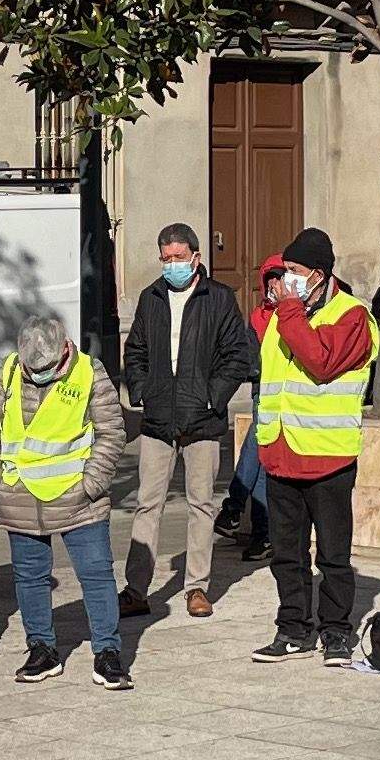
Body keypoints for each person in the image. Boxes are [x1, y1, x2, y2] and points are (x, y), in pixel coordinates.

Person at [0, 309, 135, 692]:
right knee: (30, 578)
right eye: (34, 368)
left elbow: (112, 432)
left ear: (65, 349)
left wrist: (91, 484)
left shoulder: (89, 372)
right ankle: (41, 649)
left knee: (96, 577)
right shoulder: (10, 371)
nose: (39, 373)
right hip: (19, 497)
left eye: (47, 367)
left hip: (80, 500)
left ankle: (108, 653)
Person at [250, 229, 378, 664]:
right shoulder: (283, 313)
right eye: (285, 271)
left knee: (333, 555)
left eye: (296, 272)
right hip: (281, 452)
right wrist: (283, 306)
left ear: (320, 276)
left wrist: (288, 310)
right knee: (287, 555)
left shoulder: (352, 315)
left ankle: (336, 632)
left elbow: (321, 363)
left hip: (328, 456)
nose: (288, 280)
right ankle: (293, 629)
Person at [116, 223, 254, 617]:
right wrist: (141, 390)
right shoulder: (150, 298)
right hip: (158, 420)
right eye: (166, 259)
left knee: (201, 506)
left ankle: (196, 587)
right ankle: (136, 589)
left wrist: (213, 397)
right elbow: (136, 349)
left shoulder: (220, 299)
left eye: (179, 257)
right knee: (147, 505)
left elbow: (237, 356)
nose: (172, 265)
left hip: (203, 420)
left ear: (196, 257)